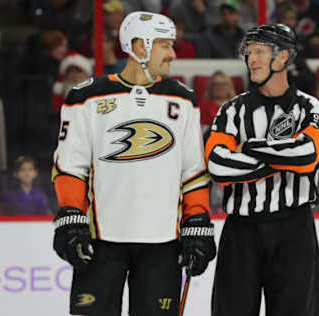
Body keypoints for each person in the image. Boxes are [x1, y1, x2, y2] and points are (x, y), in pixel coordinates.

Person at [51, 11, 216, 316]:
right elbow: (70, 166)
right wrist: (72, 215)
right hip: (99, 244)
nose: (173, 54)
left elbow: (193, 172)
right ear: (140, 47)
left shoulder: (184, 100)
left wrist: (196, 220)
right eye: (165, 45)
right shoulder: (85, 97)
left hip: (163, 244)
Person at [206, 24, 319, 316]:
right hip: (241, 231)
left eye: (259, 52)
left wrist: (247, 147)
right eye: (249, 53)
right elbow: (217, 164)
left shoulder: (310, 108)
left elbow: (307, 156)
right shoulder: (231, 110)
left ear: (282, 57)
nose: (251, 60)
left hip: (294, 231)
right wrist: (281, 156)